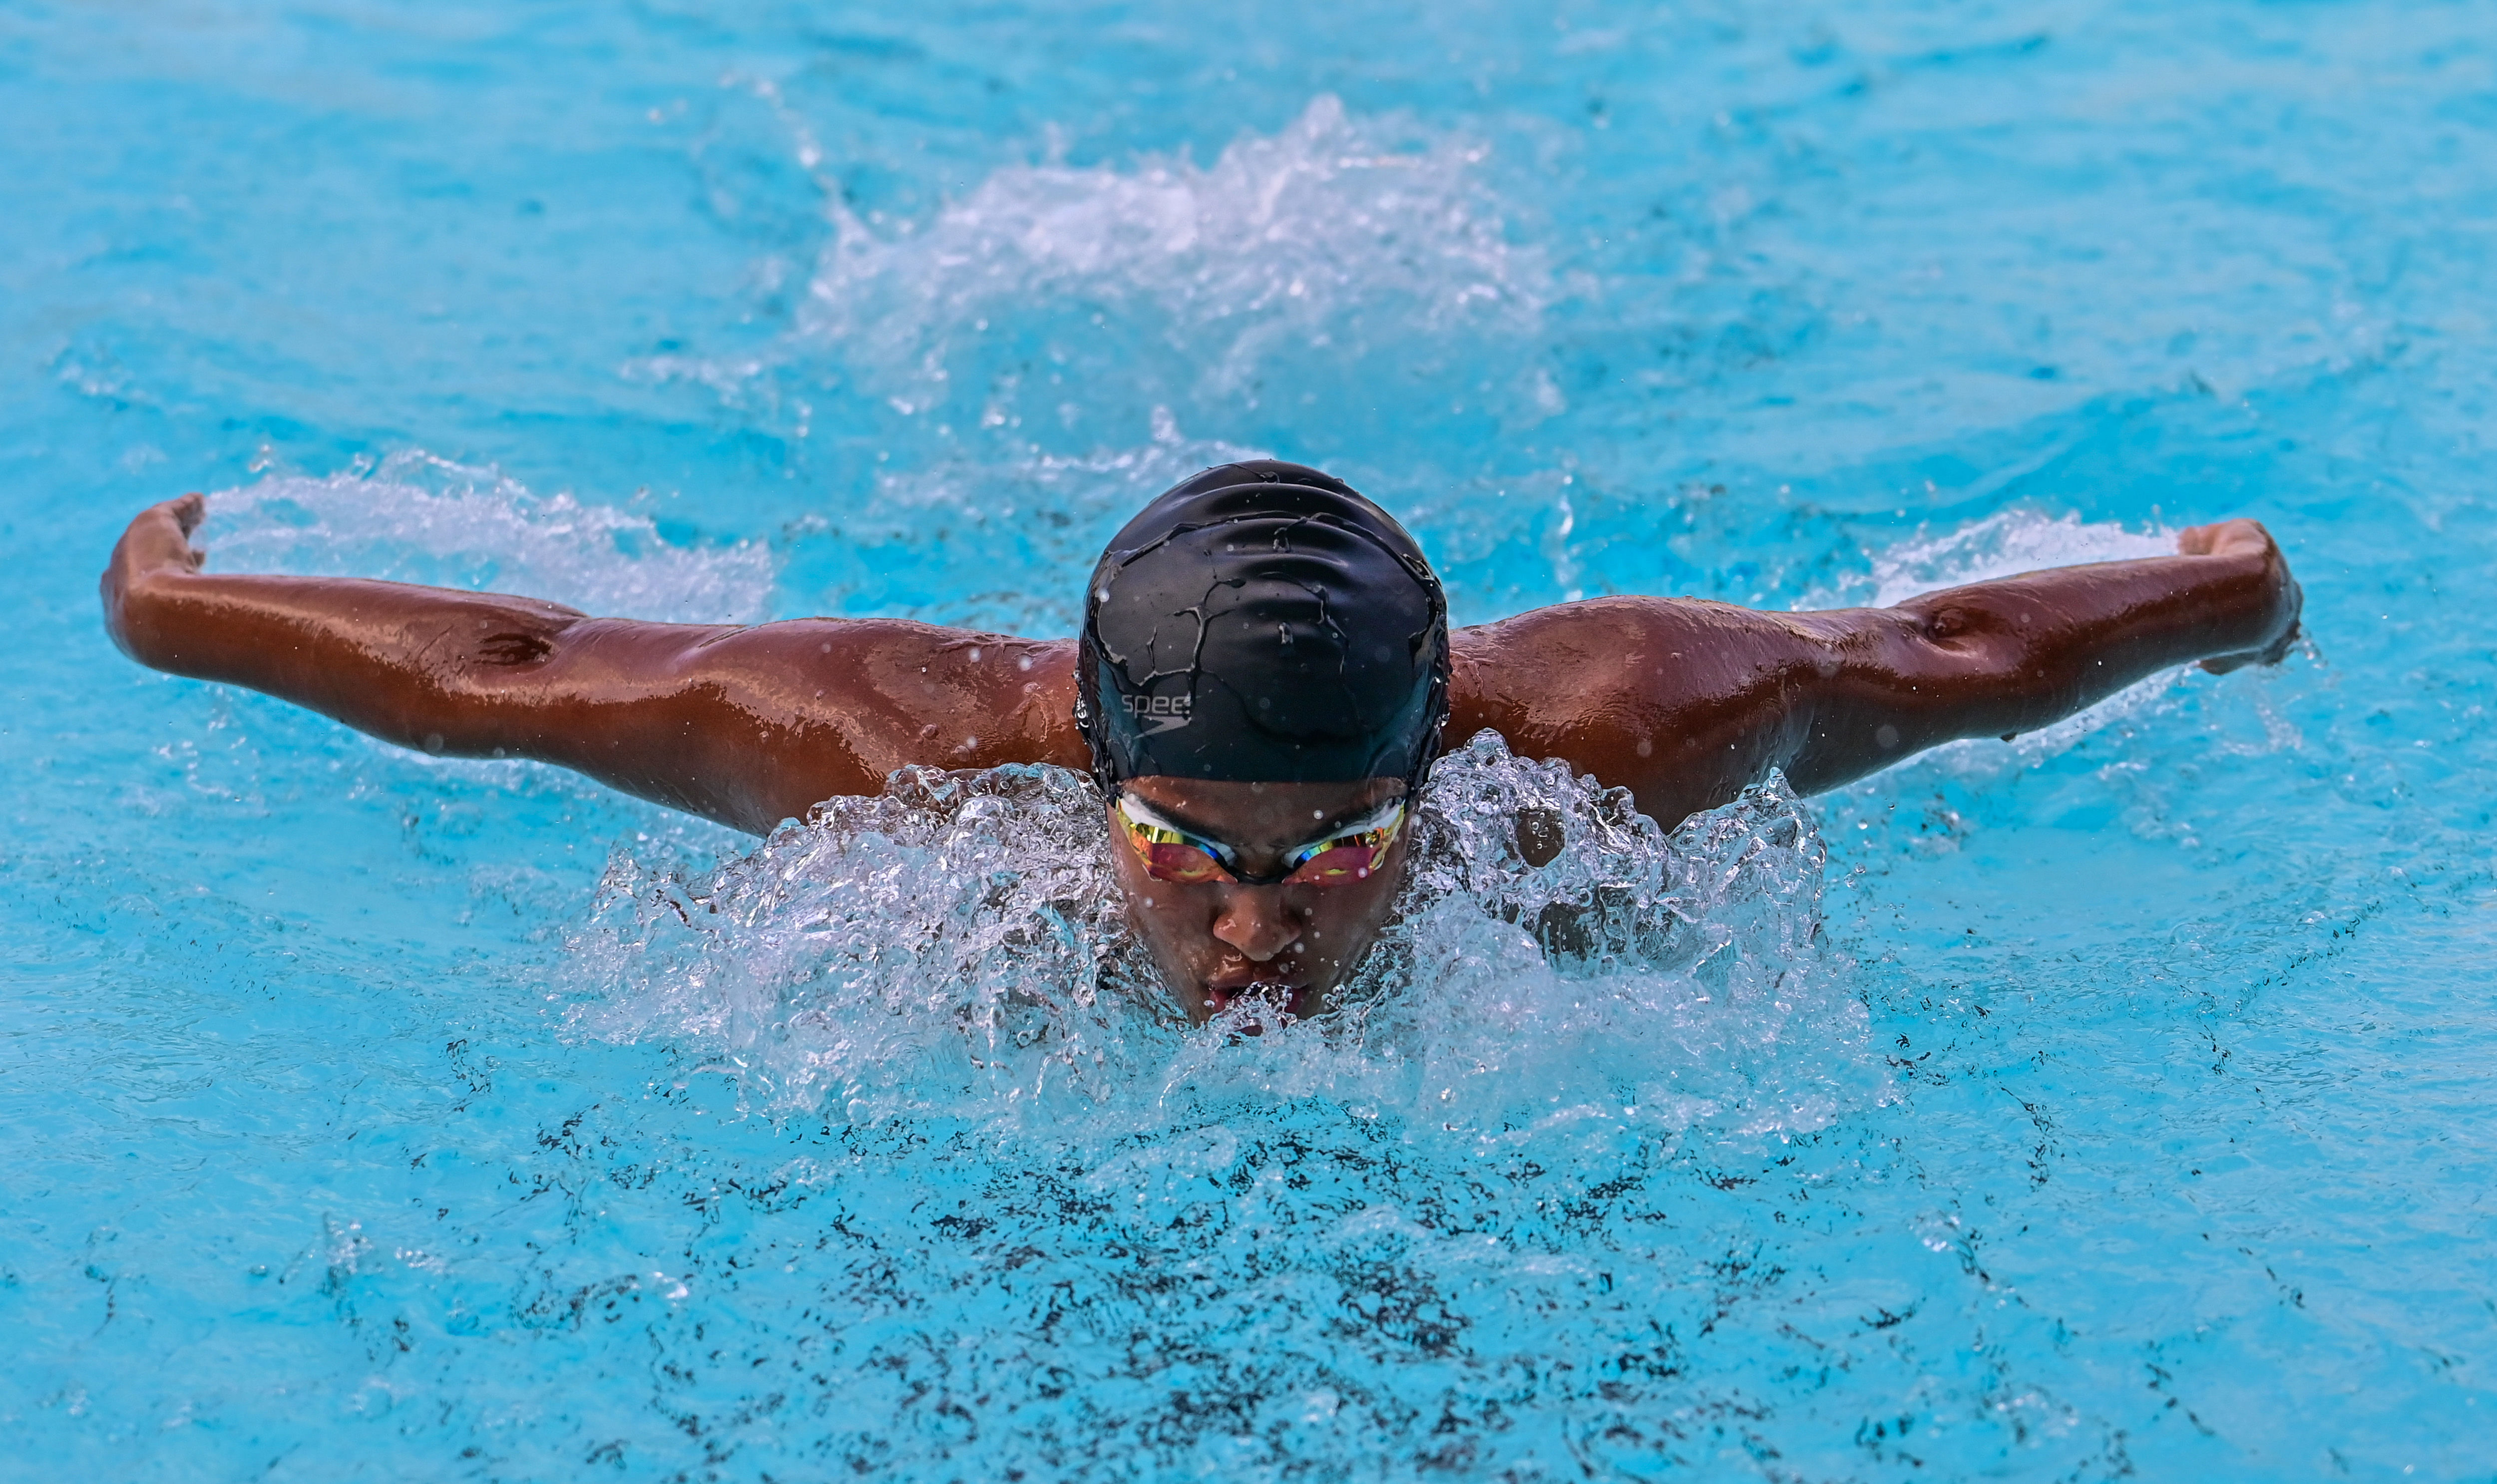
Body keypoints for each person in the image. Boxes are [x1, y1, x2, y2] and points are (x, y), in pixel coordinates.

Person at [101, 461, 2302, 1024]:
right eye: (1191, 847)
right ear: (1089, 776)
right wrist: (172, 606)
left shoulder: (1623, 724)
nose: (1258, 925)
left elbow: (1946, 648)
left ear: (1439, 760)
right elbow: (518, 664)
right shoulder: (893, 749)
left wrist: (2225, 592)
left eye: (1337, 852)